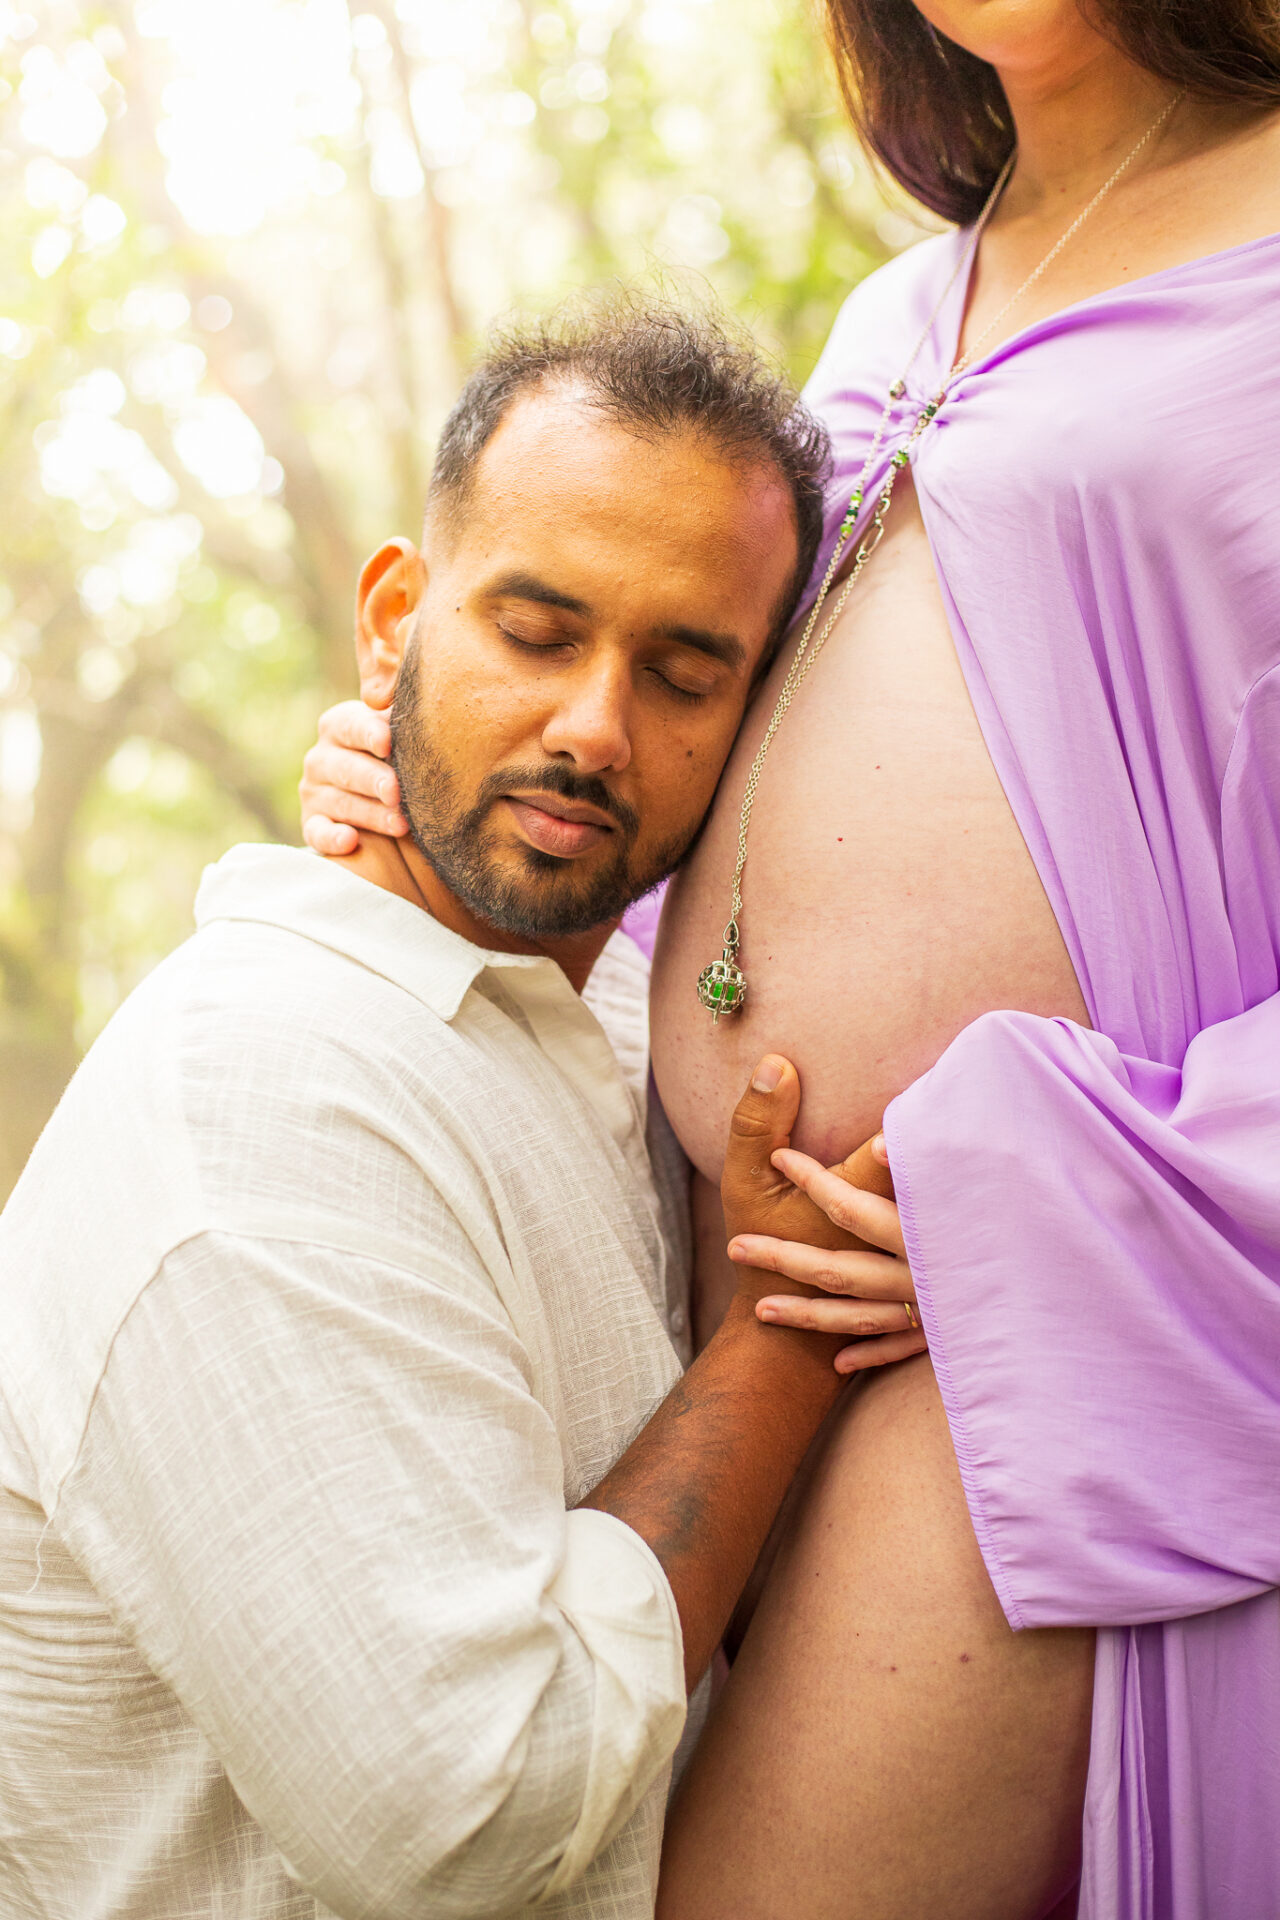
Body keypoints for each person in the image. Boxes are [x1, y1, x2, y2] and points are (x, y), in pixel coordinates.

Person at [303, 5, 1280, 1915]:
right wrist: (458, 786)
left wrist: (1077, 1184)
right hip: (695, 1276)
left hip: (1007, 1315)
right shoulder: (894, 316)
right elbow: (725, 750)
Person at [0, 307, 926, 1920]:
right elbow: (466, 1812)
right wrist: (784, 1331)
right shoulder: (255, 1105)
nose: (593, 725)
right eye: (536, 630)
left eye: (683, 668)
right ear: (393, 625)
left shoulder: (611, 1026)